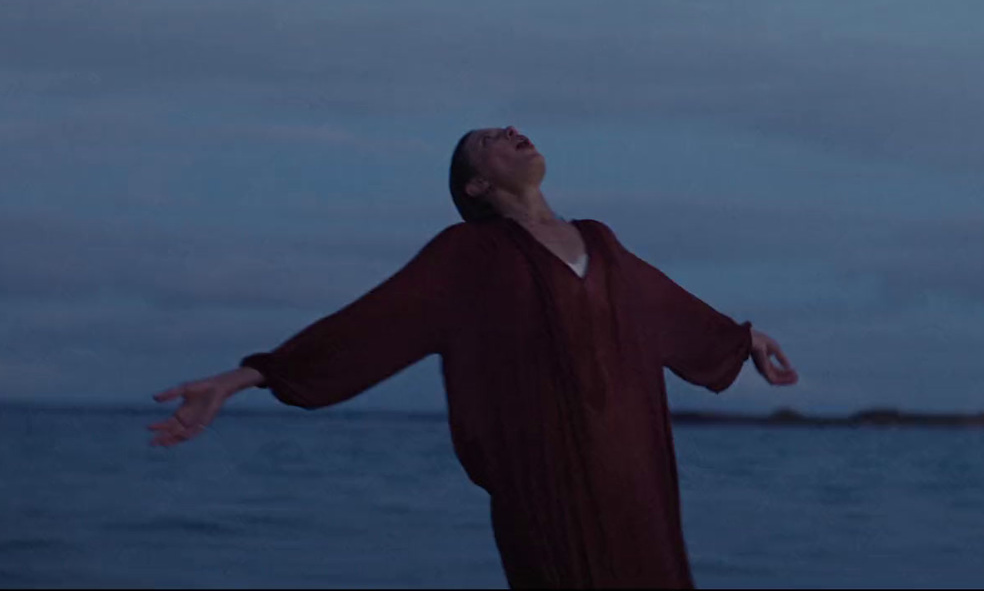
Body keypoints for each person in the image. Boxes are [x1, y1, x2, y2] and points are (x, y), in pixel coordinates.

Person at [148, 125, 798, 588]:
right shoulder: (466, 256)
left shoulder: (601, 241)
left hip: (633, 472)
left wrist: (742, 341)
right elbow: (370, 324)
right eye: (490, 139)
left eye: (512, 129)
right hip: (541, 476)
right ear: (478, 184)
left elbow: (664, 308)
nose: (513, 132)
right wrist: (243, 378)